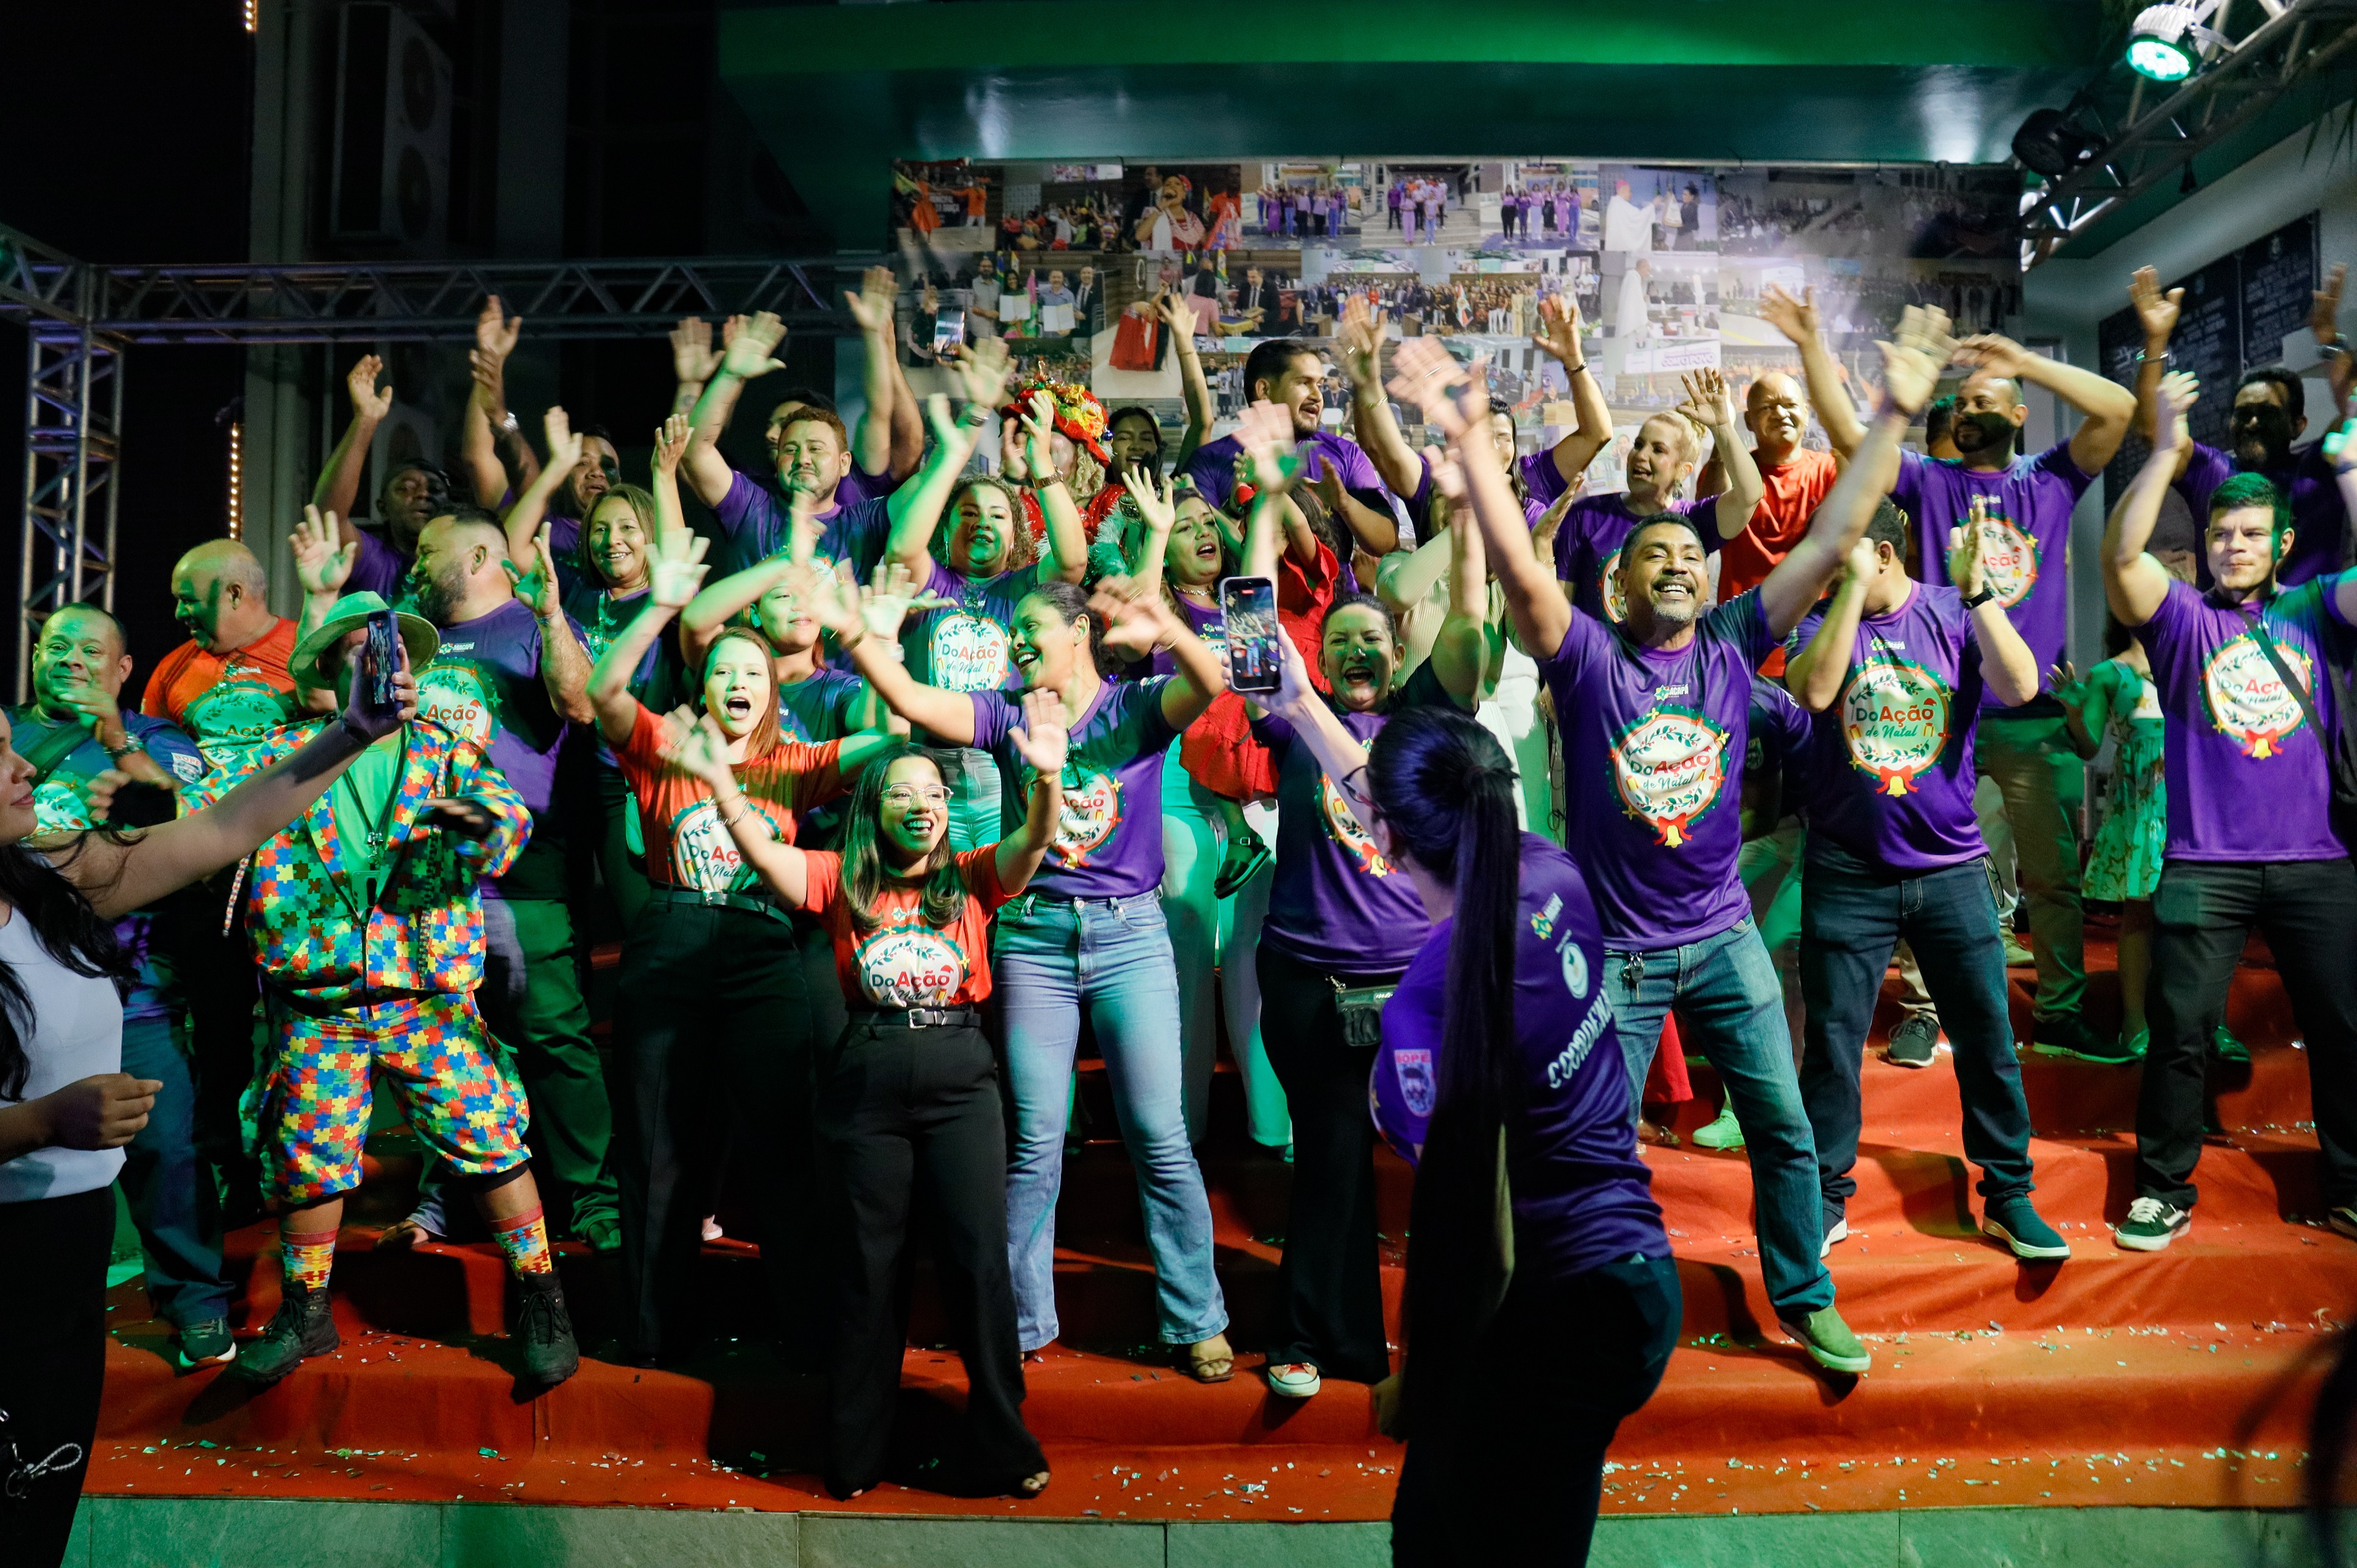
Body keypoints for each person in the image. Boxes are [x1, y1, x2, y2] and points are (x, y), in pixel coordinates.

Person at [1390, 315, 1959, 1377]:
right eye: (1655, 553)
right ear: (1618, 586)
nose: (1679, 565)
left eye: (1692, 557)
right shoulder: (1588, 661)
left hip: (1725, 938)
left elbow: (1833, 534)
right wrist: (1468, 443)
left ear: (1711, 581)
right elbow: (1523, 580)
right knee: (1590, 1146)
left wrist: (1892, 413)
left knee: (1783, 1126)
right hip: (1618, 954)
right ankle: (1591, 1312)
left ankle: (1804, 1296)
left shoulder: (1738, 644)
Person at [0, 611, 415, 1567]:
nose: (24, 763)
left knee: (38, 1503)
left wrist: (352, 732)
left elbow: (226, 825)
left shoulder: (53, 873)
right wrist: (39, 1122)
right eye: (0, 758)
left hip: (66, 1249)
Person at [801, 563, 1239, 1380]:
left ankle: (1196, 1315)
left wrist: (1165, 625)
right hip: (1034, 938)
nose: (1017, 641)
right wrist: (862, 633)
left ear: (1079, 632)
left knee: (1159, 1134)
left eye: (1030, 627)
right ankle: (1024, 1321)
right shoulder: (1005, 712)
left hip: (1131, 938)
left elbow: (1211, 681)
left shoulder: (1134, 708)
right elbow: (911, 698)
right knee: (1035, 1140)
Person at [1276, 693, 1673, 1566]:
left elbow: (1468, 1224)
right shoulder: (1551, 874)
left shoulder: (1426, 1000)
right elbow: (1406, 815)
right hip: (1631, 1282)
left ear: (1387, 838)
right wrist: (1299, 704)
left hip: (1548, 1314)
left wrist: (1423, 1375)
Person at [171, 593, 580, 1395]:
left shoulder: (445, 752)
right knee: (307, 1157)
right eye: (356, 648)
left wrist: (474, 822)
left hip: (425, 996)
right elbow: (202, 823)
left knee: (489, 1140)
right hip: (317, 998)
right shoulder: (278, 755)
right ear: (329, 667)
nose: (375, 660)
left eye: (385, 647)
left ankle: (542, 1298)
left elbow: (508, 820)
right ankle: (305, 1310)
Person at [672, 707, 1066, 1502]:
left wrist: (1049, 778)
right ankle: (856, 1451)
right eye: (904, 792)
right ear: (874, 808)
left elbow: (1033, 842)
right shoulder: (837, 877)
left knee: (977, 1263)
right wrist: (720, 784)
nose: (924, 804)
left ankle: (1002, 1441)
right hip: (867, 1078)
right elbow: (765, 855)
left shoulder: (973, 875)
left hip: (960, 1076)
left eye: (936, 794)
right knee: (865, 1267)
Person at [586, 530, 895, 1362]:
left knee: (785, 1144)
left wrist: (873, 640)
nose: (737, 684)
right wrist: (660, 606)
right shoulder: (662, 743)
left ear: (772, 694)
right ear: (703, 684)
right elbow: (601, 688)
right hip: (671, 939)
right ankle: (651, 1335)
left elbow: (891, 738)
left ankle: (808, 1334)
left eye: (753, 675)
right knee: (657, 1144)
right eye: (723, 671)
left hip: (763, 948)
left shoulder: (792, 763)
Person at [1230, 417, 1485, 1401]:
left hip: (1422, 990)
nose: (1355, 652)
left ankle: (1453, 1339)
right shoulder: (1295, 716)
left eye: (1370, 638)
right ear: (1322, 660)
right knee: (1330, 1166)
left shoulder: (1427, 718)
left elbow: (1468, 633)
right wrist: (1266, 498)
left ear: (1396, 648)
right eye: (1338, 642)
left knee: (1446, 1173)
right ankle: (1312, 1339)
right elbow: (1249, 625)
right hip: (1311, 983)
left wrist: (1465, 518)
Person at [2097, 370, 2357, 1251]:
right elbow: (2120, 560)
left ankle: (2349, 1182)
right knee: (2178, 1031)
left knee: (2342, 1029)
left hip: (2317, 862)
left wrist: (2348, 472)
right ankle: (2162, 1187)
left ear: (2281, 545)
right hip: (2206, 862)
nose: (2233, 546)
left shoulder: (2316, 609)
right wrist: (2163, 452)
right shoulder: (2181, 621)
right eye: (2220, 533)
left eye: (2250, 534)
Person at [1829, 323, 2138, 1060]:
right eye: (1960, 402)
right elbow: (1848, 438)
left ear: (2017, 413)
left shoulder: (2050, 478)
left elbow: (2119, 410)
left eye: (1981, 399)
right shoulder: (1929, 480)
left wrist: (2025, 360)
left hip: (2033, 718)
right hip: (1945, 712)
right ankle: (1923, 1010)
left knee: (2051, 880)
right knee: (1925, 868)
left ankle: (2058, 1011)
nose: (1965, 410)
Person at [321, 506, 615, 1255]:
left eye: (429, 550)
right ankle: (445, 1202)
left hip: (520, 872)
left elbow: (582, 704)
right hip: (420, 881)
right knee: (442, 1045)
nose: (415, 564)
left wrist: (551, 618)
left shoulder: (532, 624)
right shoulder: (411, 637)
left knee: (552, 1038)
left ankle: (593, 1197)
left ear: (480, 554)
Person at [1783, 496, 2070, 1262]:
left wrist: (1979, 593)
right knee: (1833, 1044)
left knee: (1985, 1038)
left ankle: (2007, 1194)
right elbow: (1813, 692)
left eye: (1840, 551)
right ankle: (1823, 1193)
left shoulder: (1951, 611)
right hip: (1847, 868)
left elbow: (2019, 685)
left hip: (1949, 866)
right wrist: (1846, 589)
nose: (1825, 565)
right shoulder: (1821, 620)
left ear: (1882, 552)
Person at [11, 606, 231, 1368]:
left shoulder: (154, 739)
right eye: (57, 645)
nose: (70, 658)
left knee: (167, 1146)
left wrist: (113, 734)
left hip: (130, 988)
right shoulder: (7, 736)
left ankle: (195, 1299)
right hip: (17, 995)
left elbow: (192, 824)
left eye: (88, 647)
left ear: (124, 668)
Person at [145, 536, 309, 1224]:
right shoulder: (174, 669)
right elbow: (154, 764)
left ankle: (299, 1168)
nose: (179, 611)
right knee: (219, 1036)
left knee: (301, 1034)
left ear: (236, 593)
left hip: (298, 889)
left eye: (188, 597)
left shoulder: (302, 651)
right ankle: (231, 1176)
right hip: (209, 889)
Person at [883, 387, 1087, 850]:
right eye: (969, 513)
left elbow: (1074, 561)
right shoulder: (929, 580)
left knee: (1003, 884)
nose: (983, 523)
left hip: (1005, 764)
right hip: (928, 769)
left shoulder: (1024, 588)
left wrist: (1041, 464)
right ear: (946, 528)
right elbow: (902, 549)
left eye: (998, 516)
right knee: (939, 885)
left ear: (1015, 535)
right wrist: (952, 458)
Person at [2131, 262, 2354, 587]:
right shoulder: (2214, 472)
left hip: (2311, 617)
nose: (2253, 422)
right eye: (2243, 413)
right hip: (2225, 619)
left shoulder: (2317, 469)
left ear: (2298, 425)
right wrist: (2155, 341)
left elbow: (2354, 406)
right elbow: (2152, 433)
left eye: (2267, 413)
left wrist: (2328, 337)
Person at [1551, 368, 1765, 624]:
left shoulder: (1693, 521)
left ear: (1683, 470)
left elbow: (1749, 496)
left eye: (1658, 450)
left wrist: (1722, 429)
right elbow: (1558, 611)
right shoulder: (1587, 515)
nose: (1641, 456)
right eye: (1638, 445)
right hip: (1597, 652)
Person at [2052, 621, 2166, 1062]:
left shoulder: (2192, 660)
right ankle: (2135, 1023)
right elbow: (2088, 746)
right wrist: (2074, 713)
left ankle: (2211, 1024)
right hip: (2141, 803)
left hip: (2195, 800)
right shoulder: (2107, 674)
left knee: (2205, 918)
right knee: (2140, 911)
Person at [1720, 285, 1855, 598]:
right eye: (1768, 408)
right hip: (1741, 623)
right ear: (1749, 421)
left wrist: (1811, 342)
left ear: (1807, 413)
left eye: (1790, 405)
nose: (1780, 414)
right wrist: (1720, 429)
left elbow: (1853, 514)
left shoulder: (1829, 469)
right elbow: (1709, 517)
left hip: (1812, 623)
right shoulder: (1734, 471)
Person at [309, 354, 454, 601]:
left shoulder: (461, 564)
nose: (423, 494)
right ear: (383, 507)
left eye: (435, 489)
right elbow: (328, 517)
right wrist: (365, 420)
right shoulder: (375, 561)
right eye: (406, 488)